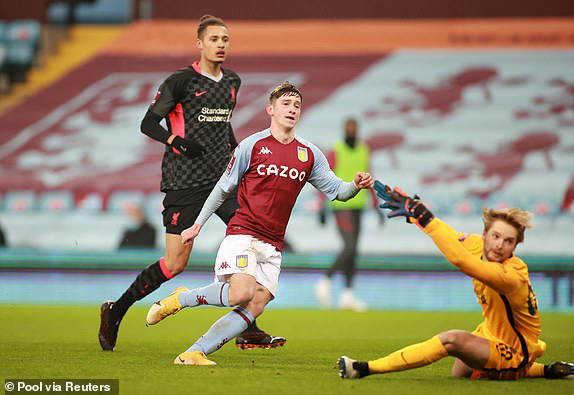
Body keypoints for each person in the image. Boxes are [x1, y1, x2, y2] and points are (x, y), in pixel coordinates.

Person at [146, 82, 374, 366]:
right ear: (271, 109)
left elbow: (338, 191)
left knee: (255, 304)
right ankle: (181, 299)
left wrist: (355, 184)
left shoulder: (310, 155)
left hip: (273, 244)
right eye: (286, 104)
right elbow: (222, 188)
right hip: (244, 233)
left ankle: (195, 352)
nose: (292, 109)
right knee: (240, 293)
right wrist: (197, 225)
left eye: (297, 106)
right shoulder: (252, 145)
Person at [98, 15, 284, 352]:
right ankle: (115, 311)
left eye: (225, 39)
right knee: (175, 264)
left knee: (250, 240)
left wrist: (241, 155)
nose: (221, 45)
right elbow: (147, 123)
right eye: (214, 39)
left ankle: (247, 326)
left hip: (221, 182)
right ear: (200, 44)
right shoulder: (181, 81)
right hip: (184, 182)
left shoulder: (232, 82)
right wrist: (176, 141)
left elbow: (224, 127)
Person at [337, 181, 574, 380]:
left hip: (515, 350)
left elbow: (462, 261)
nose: (500, 245)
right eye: (496, 236)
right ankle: (550, 370)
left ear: (515, 246)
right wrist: (416, 215)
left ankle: (364, 368)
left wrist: (424, 217)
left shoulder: (512, 275)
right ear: (484, 235)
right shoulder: (474, 244)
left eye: (509, 241)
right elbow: (446, 233)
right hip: (490, 334)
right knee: (460, 371)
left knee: (451, 340)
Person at [315, 117, 381, 311]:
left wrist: (376, 204)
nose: (351, 131)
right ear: (344, 130)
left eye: (354, 128)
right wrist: (321, 205)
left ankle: (347, 295)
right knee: (349, 246)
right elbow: (324, 176)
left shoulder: (363, 149)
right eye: (349, 128)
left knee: (353, 251)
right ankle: (325, 280)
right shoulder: (336, 150)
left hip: (358, 205)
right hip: (340, 205)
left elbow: (369, 174)